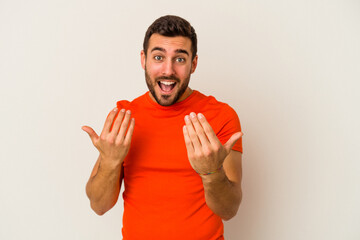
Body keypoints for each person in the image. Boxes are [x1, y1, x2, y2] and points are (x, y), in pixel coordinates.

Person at [82, 15, 243, 240]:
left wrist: (211, 172)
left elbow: (229, 210)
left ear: (193, 64)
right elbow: (99, 206)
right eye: (158, 57)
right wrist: (110, 162)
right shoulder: (124, 117)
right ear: (143, 59)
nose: (168, 70)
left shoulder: (221, 116)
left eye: (179, 59)